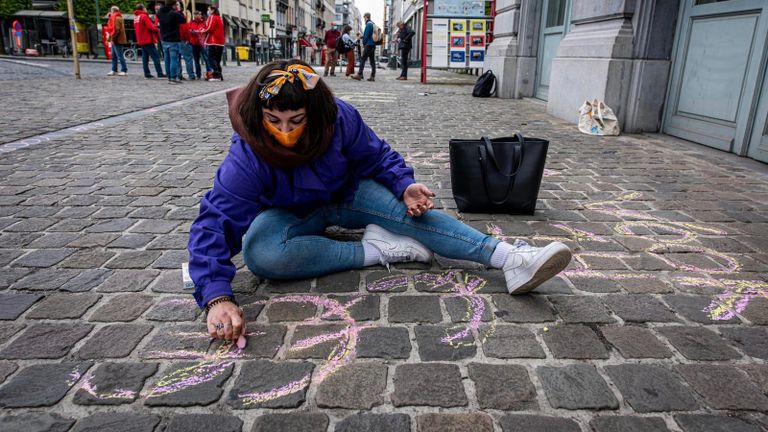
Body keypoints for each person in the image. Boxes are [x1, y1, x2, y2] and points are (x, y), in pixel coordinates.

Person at [187, 60, 573, 342]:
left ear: (316, 112)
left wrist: (403, 185)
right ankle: (375, 250)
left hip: (349, 193)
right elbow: (216, 219)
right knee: (261, 254)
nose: (285, 132)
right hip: (288, 211)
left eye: (296, 120)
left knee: (413, 214)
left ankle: (511, 259)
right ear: (260, 115)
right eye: (274, 120)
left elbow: (377, 155)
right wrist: (217, 296)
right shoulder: (248, 152)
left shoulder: (340, 117)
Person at [157, 0, 185, 84]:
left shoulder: (160, 12)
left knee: (167, 59)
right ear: (173, 5)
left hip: (164, 39)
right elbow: (183, 20)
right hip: (173, 39)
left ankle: (169, 77)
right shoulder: (174, 14)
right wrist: (179, 11)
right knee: (174, 59)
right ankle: (173, 77)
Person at [134, 4, 165, 79]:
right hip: (147, 39)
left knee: (145, 58)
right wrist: (157, 29)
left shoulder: (136, 17)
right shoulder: (144, 16)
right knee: (156, 57)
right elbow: (150, 27)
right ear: (143, 8)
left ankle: (147, 73)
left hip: (141, 40)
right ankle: (160, 73)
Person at [201, 5, 225, 81]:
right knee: (217, 60)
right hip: (220, 42)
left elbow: (210, 28)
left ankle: (216, 75)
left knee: (211, 58)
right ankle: (219, 74)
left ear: (212, 10)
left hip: (213, 41)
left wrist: (202, 30)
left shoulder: (213, 17)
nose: (208, 11)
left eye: (208, 9)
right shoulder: (219, 18)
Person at [351, 13, 376, 82]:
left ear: (366, 17)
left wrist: (364, 43)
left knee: (363, 59)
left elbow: (366, 36)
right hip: (373, 44)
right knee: (372, 61)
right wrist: (362, 36)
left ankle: (359, 74)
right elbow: (369, 35)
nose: (364, 19)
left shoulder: (368, 24)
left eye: (364, 17)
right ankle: (372, 76)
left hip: (369, 44)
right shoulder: (372, 23)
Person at [105, 6, 128, 76]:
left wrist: (112, 39)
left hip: (117, 40)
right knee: (114, 55)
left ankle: (124, 70)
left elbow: (116, 30)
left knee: (119, 56)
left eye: (111, 11)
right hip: (116, 39)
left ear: (113, 11)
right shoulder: (116, 17)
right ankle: (114, 69)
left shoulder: (116, 18)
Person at [189, 10, 211, 80]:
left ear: (200, 15)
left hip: (202, 43)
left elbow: (207, 30)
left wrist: (200, 31)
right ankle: (198, 74)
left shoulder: (204, 22)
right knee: (196, 60)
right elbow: (189, 30)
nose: (196, 16)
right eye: (195, 14)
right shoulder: (191, 22)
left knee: (206, 59)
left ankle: (209, 73)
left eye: (198, 14)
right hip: (194, 43)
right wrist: (191, 32)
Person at [179, 10, 197, 80]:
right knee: (188, 59)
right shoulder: (183, 22)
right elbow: (186, 31)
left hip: (176, 41)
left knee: (177, 59)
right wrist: (188, 40)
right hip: (184, 41)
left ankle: (178, 74)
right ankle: (191, 75)